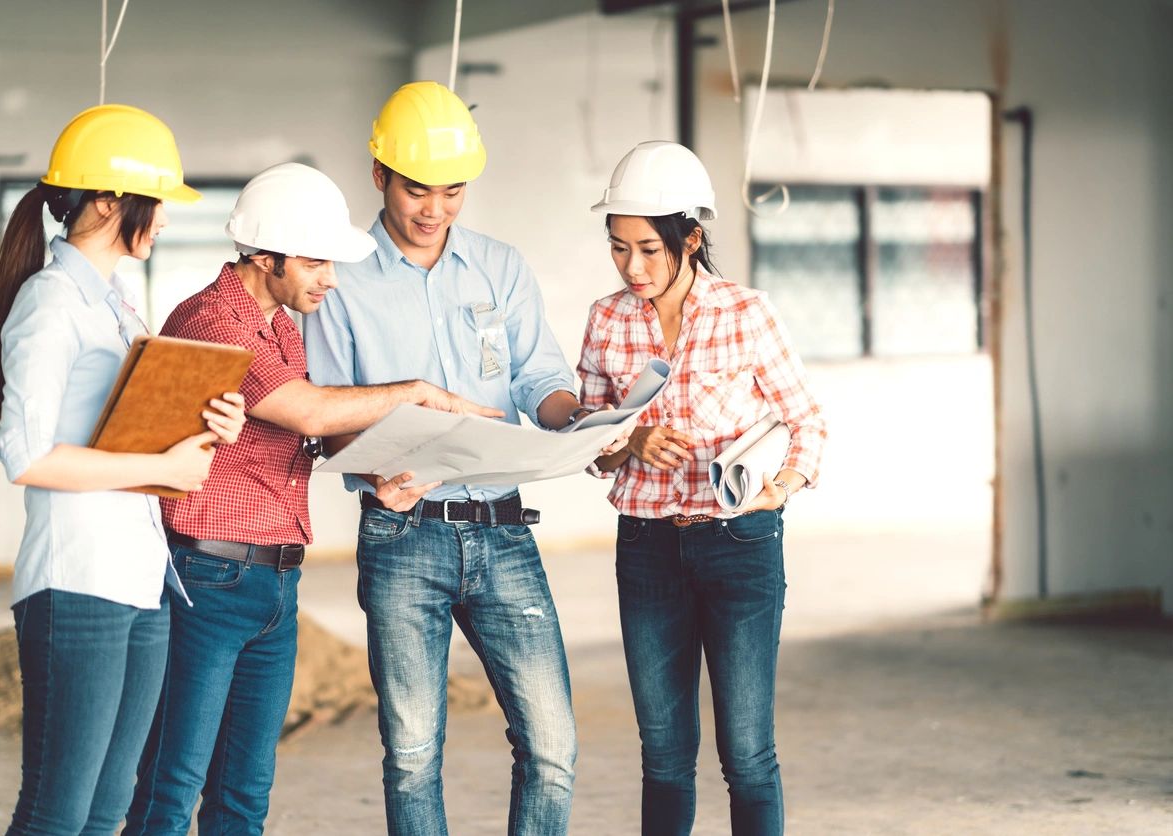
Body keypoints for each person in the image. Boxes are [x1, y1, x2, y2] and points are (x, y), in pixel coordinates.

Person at [124, 162, 500, 835]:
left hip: (272, 579)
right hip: (209, 578)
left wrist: (377, 465)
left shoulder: (281, 325)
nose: (331, 277)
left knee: (245, 793)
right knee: (172, 786)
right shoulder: (213, 319)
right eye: (317, 261)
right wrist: (416, 392)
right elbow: (303, 411)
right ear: (266, 256)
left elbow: (303, 436)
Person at [305, 81, 611, 836]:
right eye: (416, 189)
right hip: (401, 535)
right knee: (412, 753)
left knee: (552, 746)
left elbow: (539, 379)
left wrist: (578, 420)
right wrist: (370, 465)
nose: (433, 208)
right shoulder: (339, 279)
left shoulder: (500, 269)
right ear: (379, 175)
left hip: (504, 531)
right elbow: (325, 412)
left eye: (451, 191)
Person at [0, 104, 246, 835]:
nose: (162, 218)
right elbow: (27, 455)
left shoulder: (123, 307)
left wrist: (207, 426)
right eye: (155, 200)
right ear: (107, 201)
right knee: (57, 812)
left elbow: (133, 431)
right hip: (76, 580)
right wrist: (160, 462)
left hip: (140, 575)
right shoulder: (49, 302)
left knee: (106, 812)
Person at [578, 140, 827, 836]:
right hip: (648, 549)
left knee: (746, 753)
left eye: (650, 249)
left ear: (691, 237)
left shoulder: (746, 313)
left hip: (740, 546)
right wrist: (627, 443)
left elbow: (807, 421)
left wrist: (782, 486)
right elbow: (588, 444)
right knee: (662, 755)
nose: (633, 267)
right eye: (619, 248)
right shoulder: (607, 320)